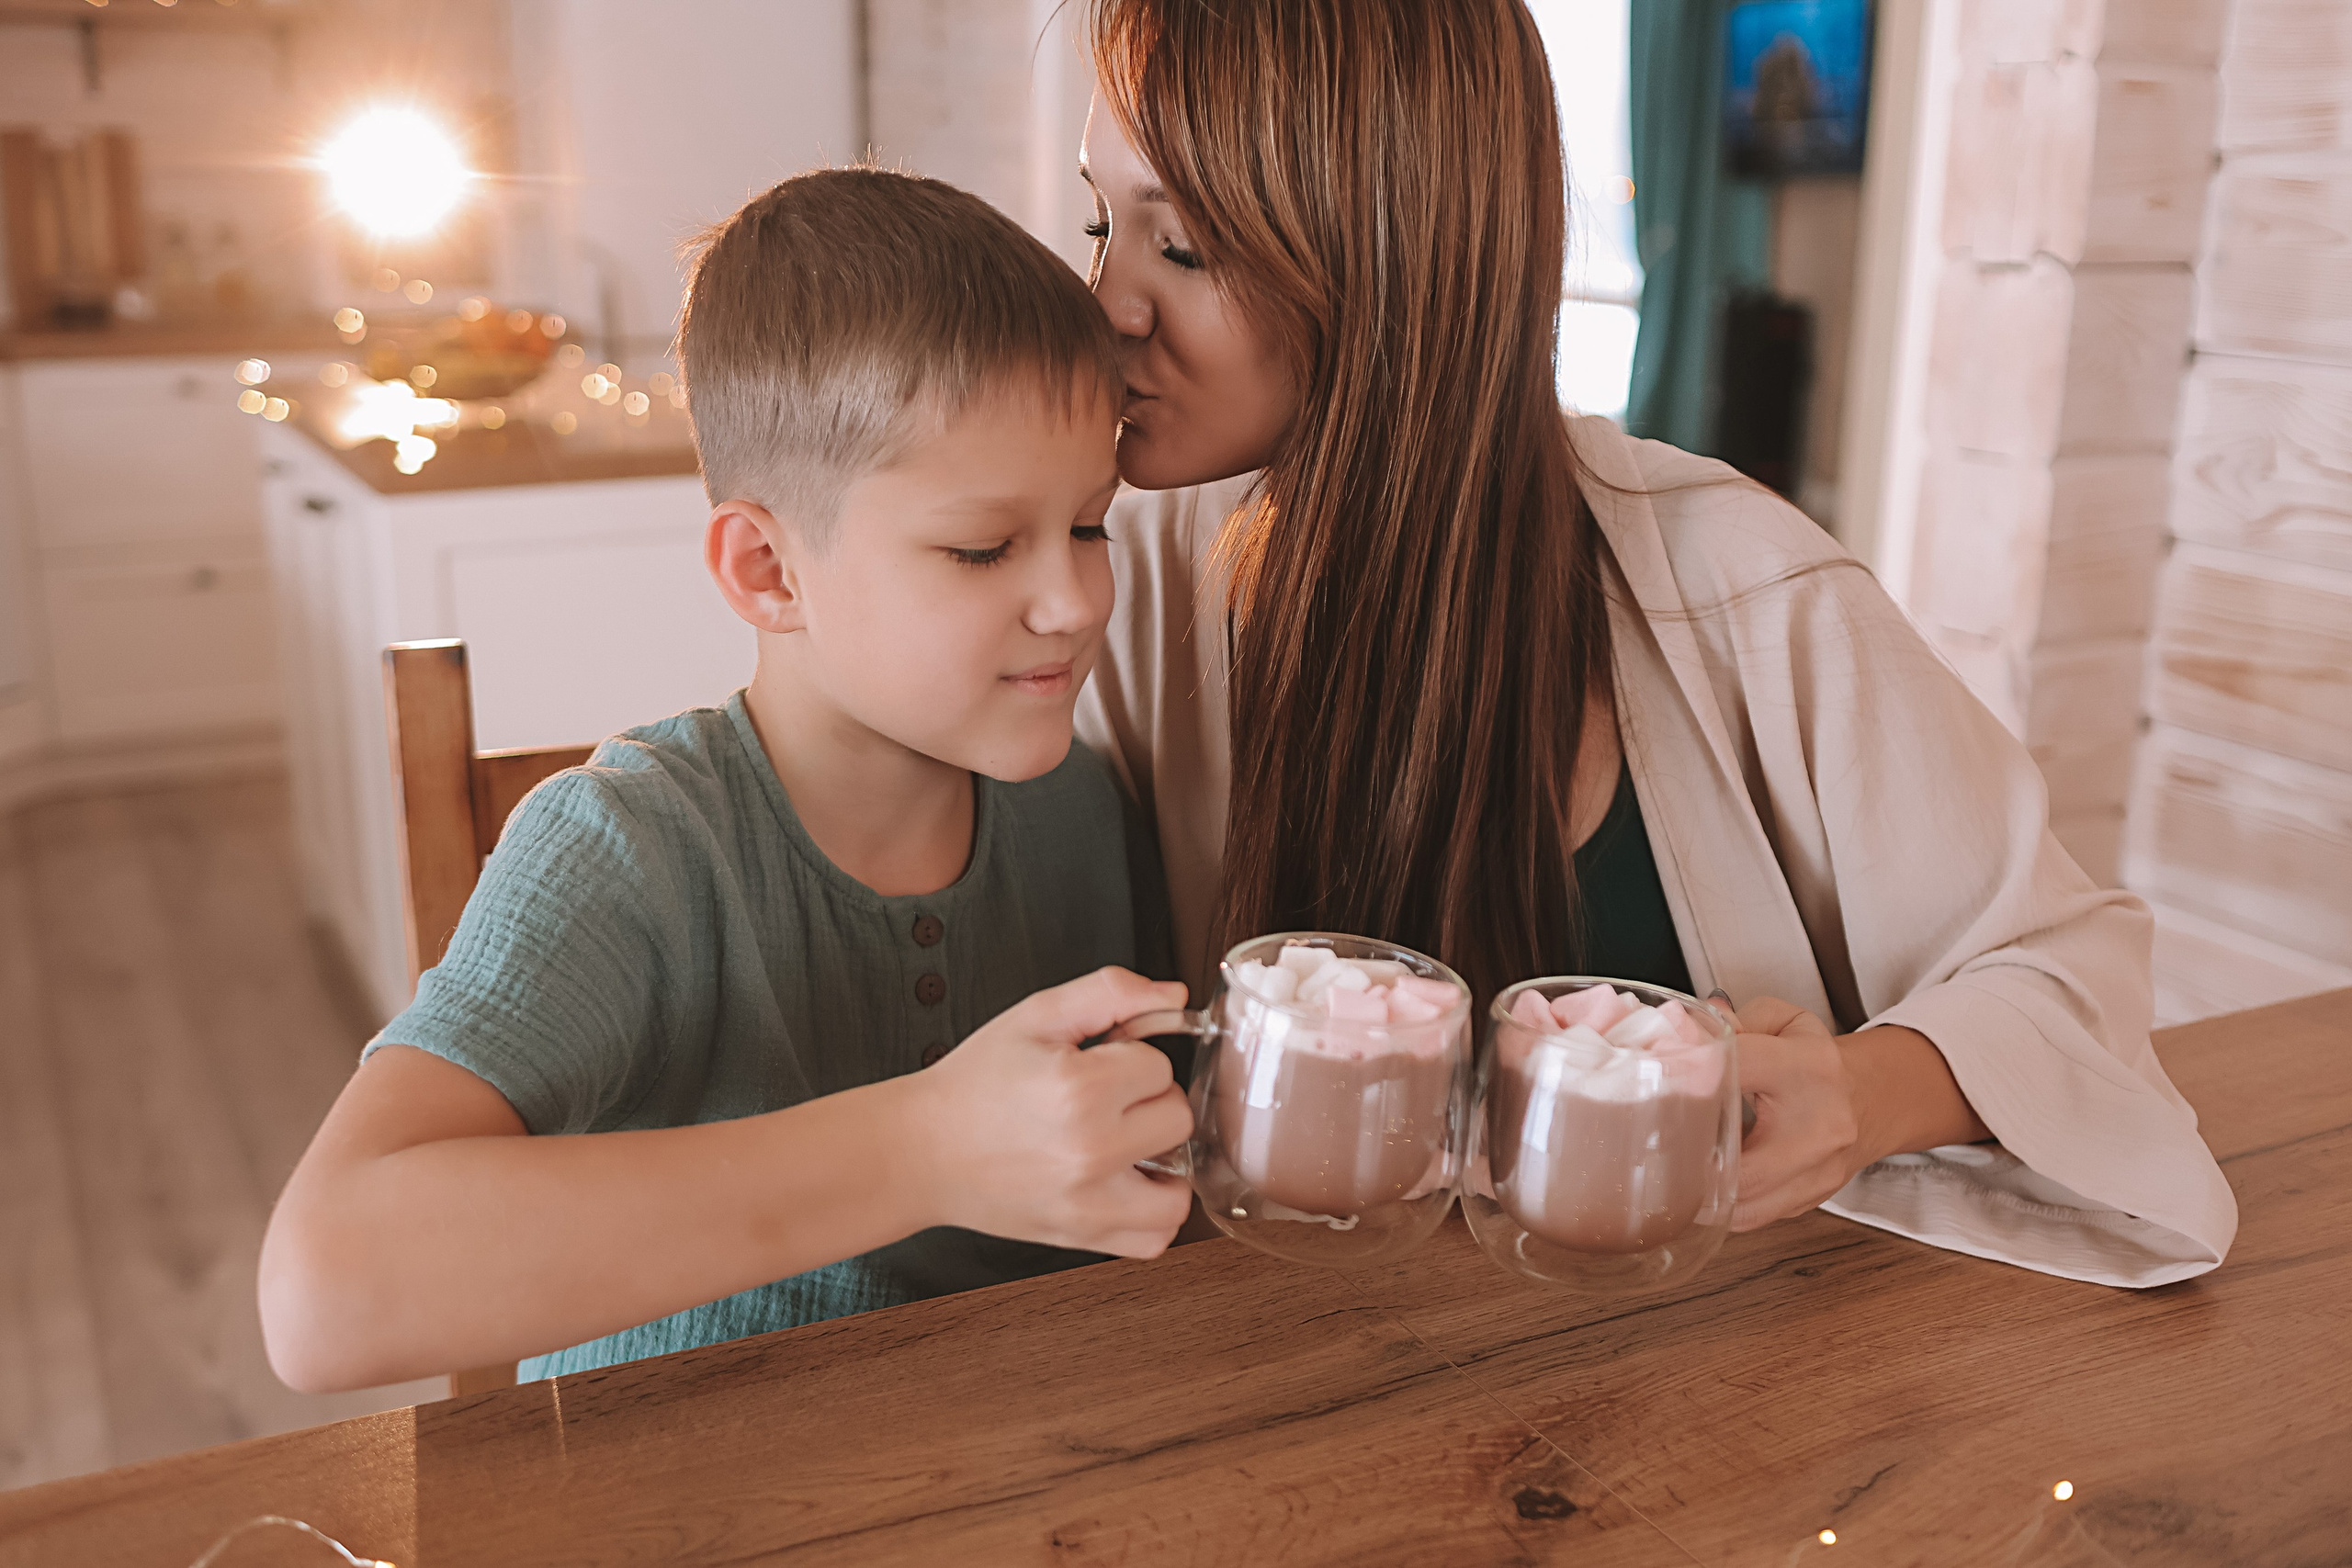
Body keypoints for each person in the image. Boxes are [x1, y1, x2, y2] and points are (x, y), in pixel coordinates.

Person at [1071, 0, 2236, 1286]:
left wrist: (1860, 1092)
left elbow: (2069, 973)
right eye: (1097, 222)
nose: (1103, 302)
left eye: (1177, 244)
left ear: (1392, 248)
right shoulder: (1115, 584)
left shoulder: (1743, 589)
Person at [258, 168, 1193, 1393]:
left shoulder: (1083, 810)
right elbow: (326, 1293)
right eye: (982, 547)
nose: (1077, 602)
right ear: (767, 571)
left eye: (1087, 525)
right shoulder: (628, 850)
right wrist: (925, 1148)